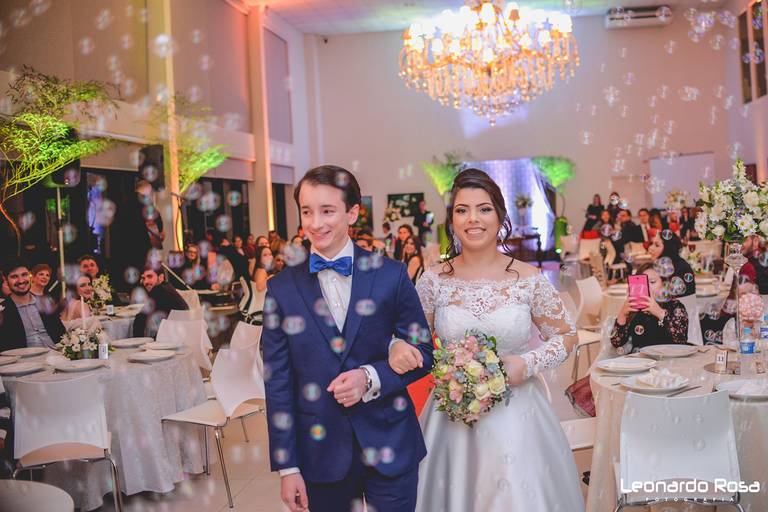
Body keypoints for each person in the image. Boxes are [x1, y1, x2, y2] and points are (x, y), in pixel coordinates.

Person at [390, 168, 583, 511]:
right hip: (452, 418)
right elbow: (412, 340)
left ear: (500, 216)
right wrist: (397, 345)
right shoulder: (434, 281)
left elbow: (567, 335)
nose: (473, 219)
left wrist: (527, 363)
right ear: (452, 220)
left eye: (483, 209)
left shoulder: (528, 279)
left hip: (518, 415)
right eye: (462, 210)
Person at [263, 165, 433, 512]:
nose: (316, 223)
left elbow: (424, 352)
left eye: (327, 211)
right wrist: (288, 467)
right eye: (307, 212)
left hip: (390, 438)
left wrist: (370, 377)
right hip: (320, 452)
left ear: (352, 213)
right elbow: (277, 381)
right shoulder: (281, 289)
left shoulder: (391, 274)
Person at [611, 262, 689, 352]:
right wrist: (622, 314)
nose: (647, 287)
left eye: (652, 282)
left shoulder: (675, 306)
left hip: (669, 357)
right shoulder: (634, 308)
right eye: (642, 283)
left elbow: (681, 340)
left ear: (664, 284)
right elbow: (616, 343)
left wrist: (659, 312)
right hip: (640, 359)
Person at [0, 259, 65, 351]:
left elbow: (61, 333)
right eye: (14, 277)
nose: (21, 281)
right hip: (24, 358)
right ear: (6, 280)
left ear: (29, 276)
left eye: (24, 275)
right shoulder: (3, 310)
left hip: (56, 354)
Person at [132, 266, 189, 338]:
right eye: (143, 278)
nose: (146, 282)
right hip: (182, 336)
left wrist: (138, 341)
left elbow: (140, 320)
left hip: (172, 339)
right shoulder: (167, 287)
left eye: (150, 277)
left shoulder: (158, 290)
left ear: (161, 277)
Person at [647, 230, 696, 297]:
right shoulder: (661, 266)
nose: (650, 248)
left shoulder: (680, 268)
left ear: (668, 248)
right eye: (651, 244)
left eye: (657, 245)